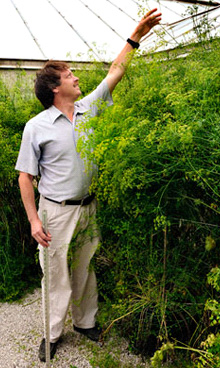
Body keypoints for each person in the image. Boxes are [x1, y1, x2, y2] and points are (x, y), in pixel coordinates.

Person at [15, 8, 161, 362]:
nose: (76, 77)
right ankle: (51, 335)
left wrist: (136, 36)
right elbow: (25, 176)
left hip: (88, 206)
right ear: (54, 87)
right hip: (55, 212)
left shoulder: (88, 108)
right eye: (70, 74)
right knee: (55, 273)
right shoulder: (37, 126)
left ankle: (85, 322)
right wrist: (34, 220)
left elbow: (115, 71)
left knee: (85, 266)